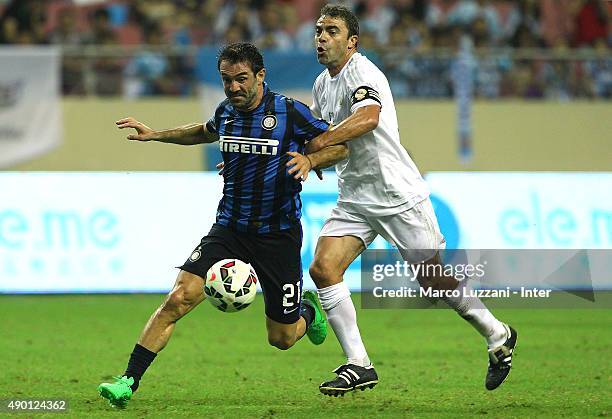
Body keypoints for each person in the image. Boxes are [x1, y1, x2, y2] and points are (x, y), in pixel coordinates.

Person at [97, 42, 349, 408]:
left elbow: (341, 147)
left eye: (241, 79)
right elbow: (204, 130)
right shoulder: (227, 111)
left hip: (277, 235)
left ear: (260, 76)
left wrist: (310, 159)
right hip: (229, 229)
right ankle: (127, 382)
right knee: (178, 298)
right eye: (227, 80)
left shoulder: (290, 113)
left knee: (281, 338)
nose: (233, 88)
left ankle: (307, 312)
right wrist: (156, 135)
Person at [305, 4, 517, 396]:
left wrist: (322, 141)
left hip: (396, 193)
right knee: (323, 269)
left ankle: (498, 333)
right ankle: (359, 364)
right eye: (318, 30)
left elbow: (367, 119)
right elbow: (337, 146)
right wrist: (311, 157)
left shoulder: (363, 73)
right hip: (355, 198)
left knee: (432, 280)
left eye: (331, 31)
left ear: (352, 42)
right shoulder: (321, 84)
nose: (321, 37)